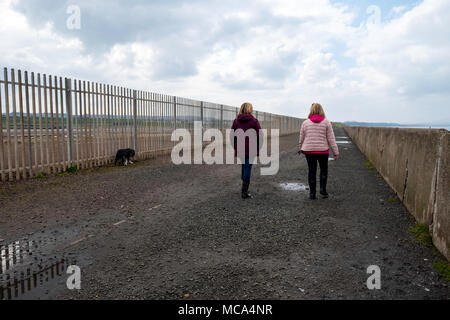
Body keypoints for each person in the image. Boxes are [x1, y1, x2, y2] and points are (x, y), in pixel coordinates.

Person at [298, 103, 339, 200]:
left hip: (309, 151)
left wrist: (300, 147)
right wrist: (336, 152)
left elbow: (301, 137)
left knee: (312, 171)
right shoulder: (326, 122)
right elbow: (331, 139)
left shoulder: (305, 123)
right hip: (323, 150)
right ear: (321, 110)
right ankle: (323, 190)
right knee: (323, 170)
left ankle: (312, 194)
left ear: (311, 110)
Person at [231, 102, 263, 199]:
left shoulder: (236, 121)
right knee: (247, 167)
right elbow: (260, 135)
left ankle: (244, 187)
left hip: (240, 148)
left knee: (244, 165)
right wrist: (258, 147)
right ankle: (244, 192)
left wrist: (235, 146)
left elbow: (232, 136)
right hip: (251, 148)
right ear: (250, 109)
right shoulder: (254, 121)